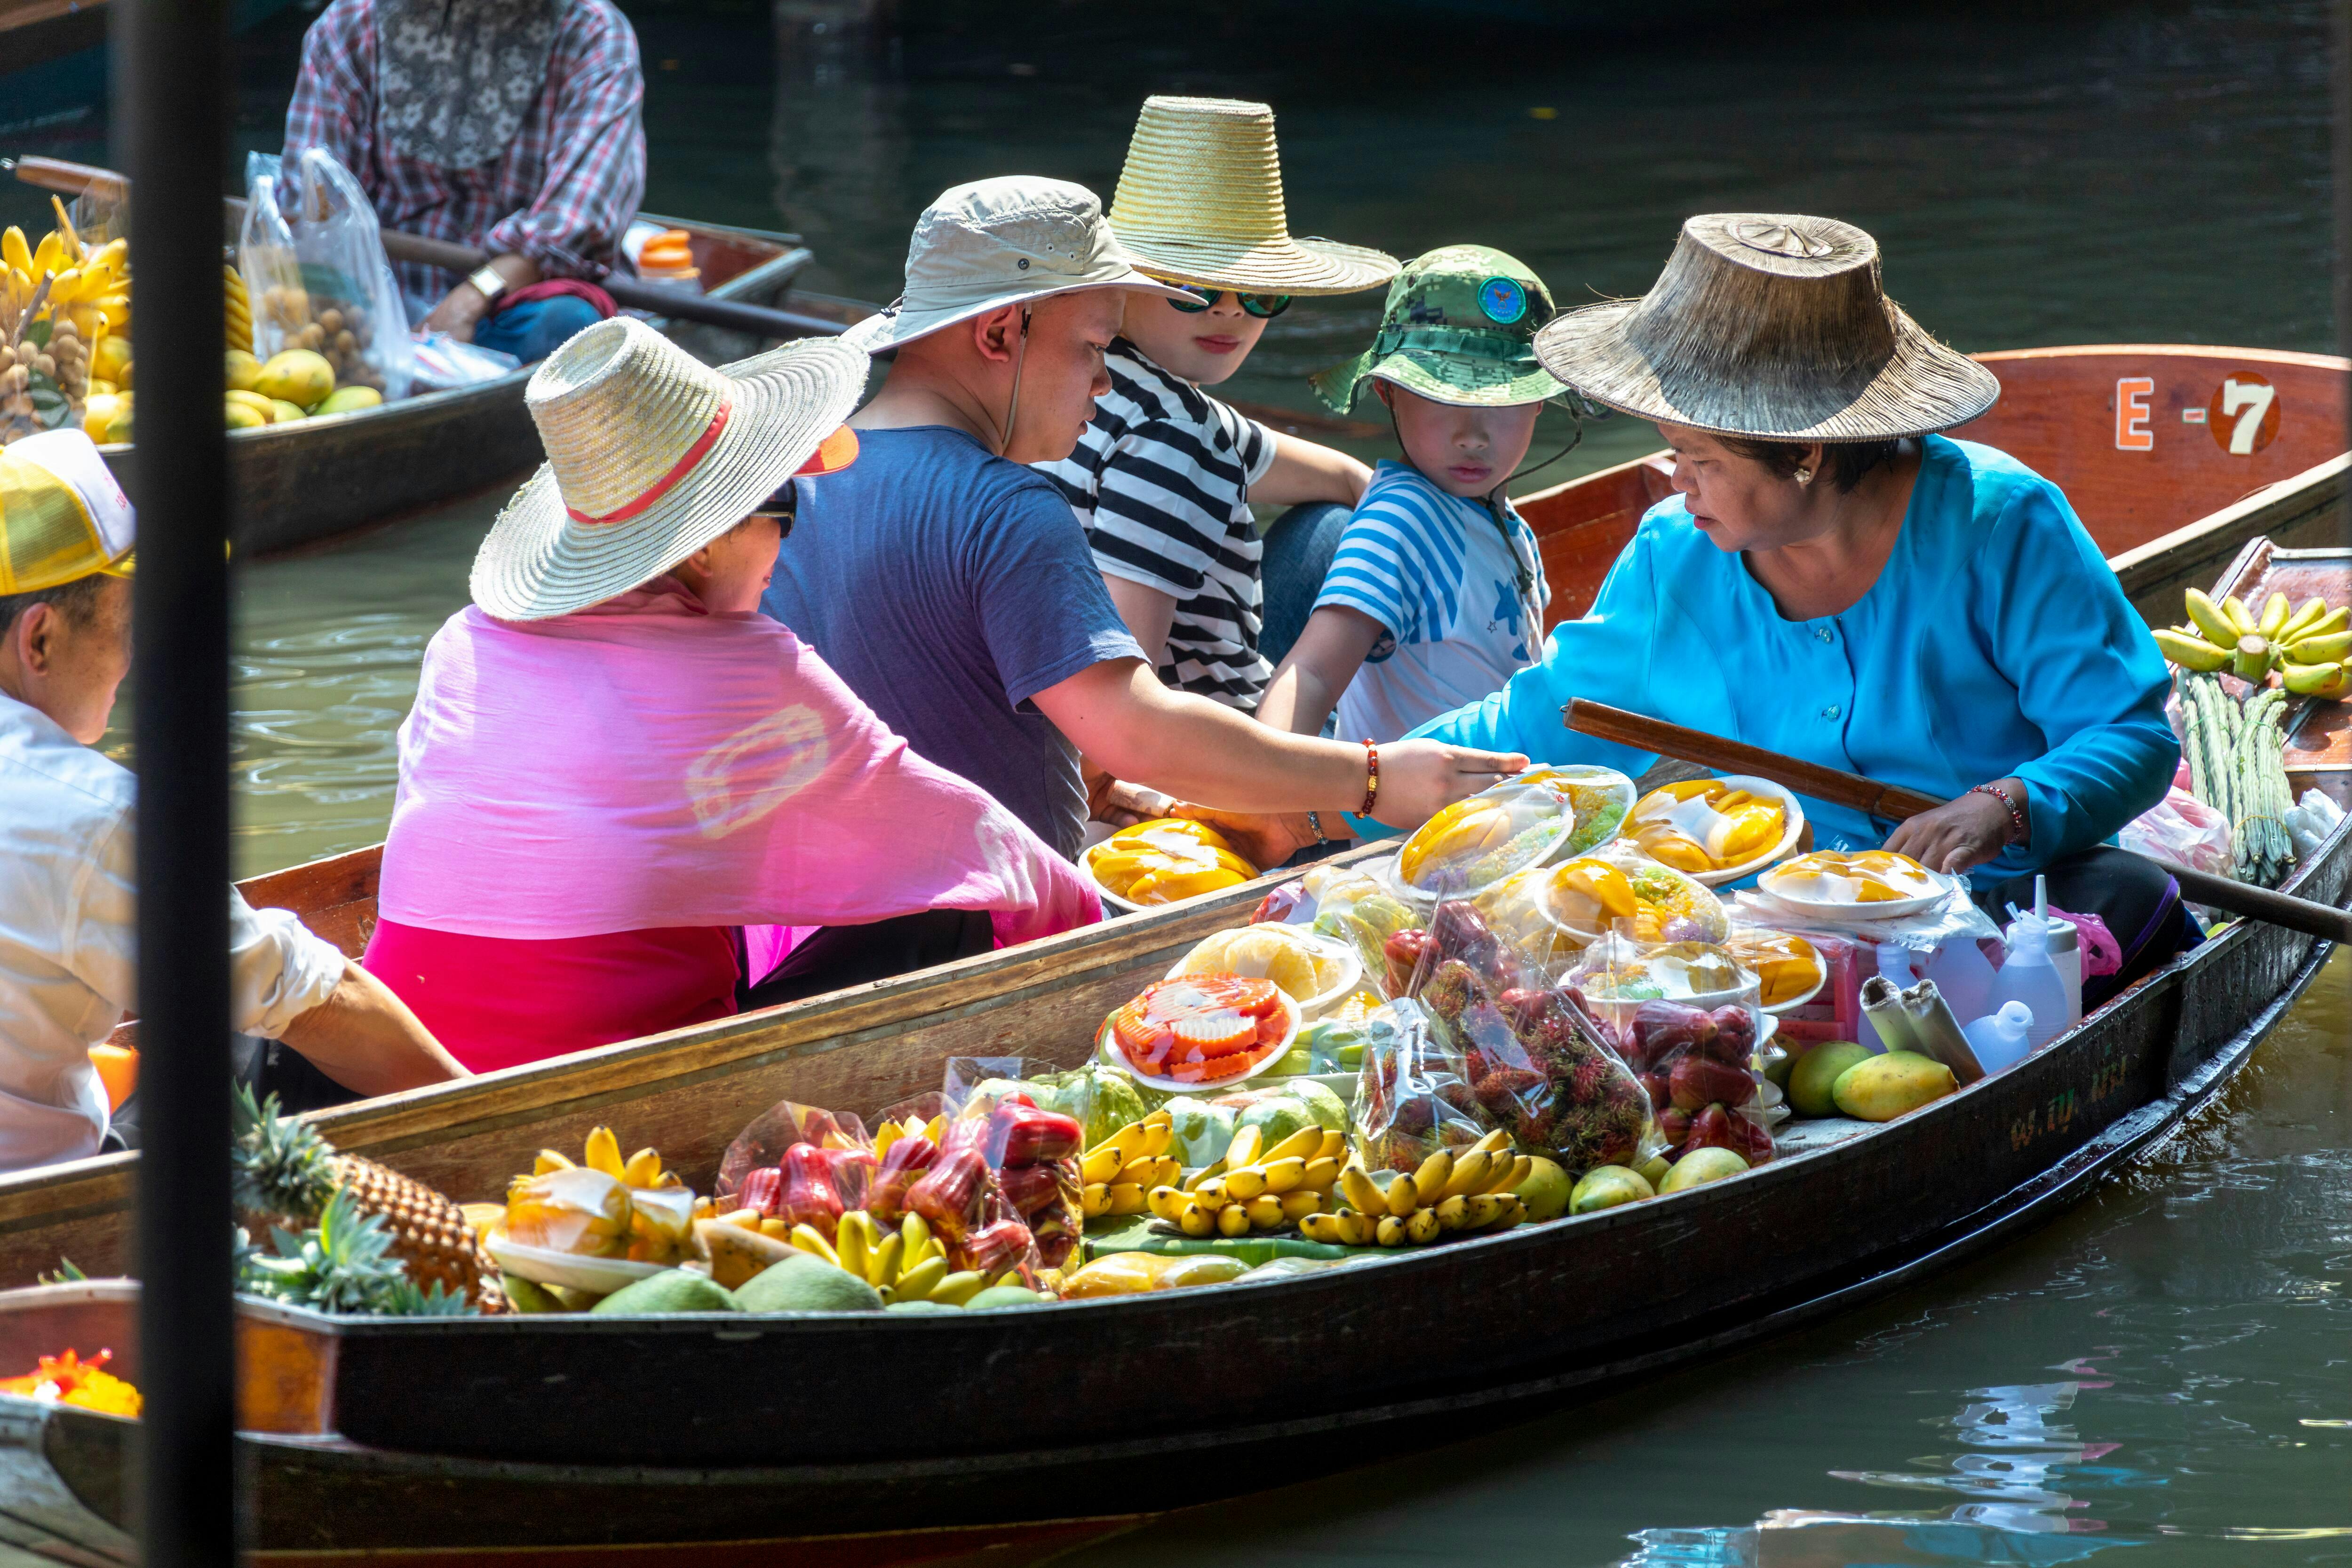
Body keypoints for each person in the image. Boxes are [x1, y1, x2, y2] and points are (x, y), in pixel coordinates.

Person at [1408, 214, 2192, 998]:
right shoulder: (1671, 556)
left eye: (1701, 459)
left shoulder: (2001, 523)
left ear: (1806, 454)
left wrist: (2005, 806)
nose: (1674, 477)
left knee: (2126, 889)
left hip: (2008, 918)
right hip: (1785, 940)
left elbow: (2129, 733)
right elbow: (1536, 728)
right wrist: (1342, 791)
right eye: (1674, 450)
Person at [363, 319, 1100, 1072]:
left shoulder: (462, 640)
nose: (789, 542)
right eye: (782, 507)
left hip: (404, 1051)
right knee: (953, 916)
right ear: (705, 542)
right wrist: (1091, 928)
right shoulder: (751, 668)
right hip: (619, 1074)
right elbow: (967, 839)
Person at [760, 175, 1528, 870]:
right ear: (999, 336)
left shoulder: (804, 473)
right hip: (1004, 908)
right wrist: (1371, 778)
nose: (1103, 378)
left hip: (832, 882)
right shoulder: (1008, 506)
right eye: (1094, 347)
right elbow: (1134, 730)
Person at [0, 431, 465, 1172]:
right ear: (41, 640)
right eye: (126, 626)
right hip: (36, 1213)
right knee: (287, 1040)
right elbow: (311, 994)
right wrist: (495, 1119)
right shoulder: (88, 812)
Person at [1037, 96, 1394, 711]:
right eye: (1195, 288)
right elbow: (1127, 691)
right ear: (1126, 280)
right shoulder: (1178, 430)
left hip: (1049, 689)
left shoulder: (1068, 373)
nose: (1230, 310)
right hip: (1202, 730)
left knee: (1337, 523)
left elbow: (1343, 475)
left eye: (1258, 293)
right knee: (1342, 535)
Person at [1255, 246, 1568, 748]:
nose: (1472, 435)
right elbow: (1310, 674)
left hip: (1499, 793)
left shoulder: (1505, 522)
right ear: (1388, 394)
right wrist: (1265, 794)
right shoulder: (1402, 521)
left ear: (1537, 402)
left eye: (1500, 401)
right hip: (1412, 819)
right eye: (1442, 398)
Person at [283, 0, 645, 363]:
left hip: (509, 309)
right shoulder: (350, 24)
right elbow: (311, 200)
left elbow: (578, 216)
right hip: (375, 303)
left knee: (569, 324)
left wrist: (468, 302)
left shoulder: (592, 33)